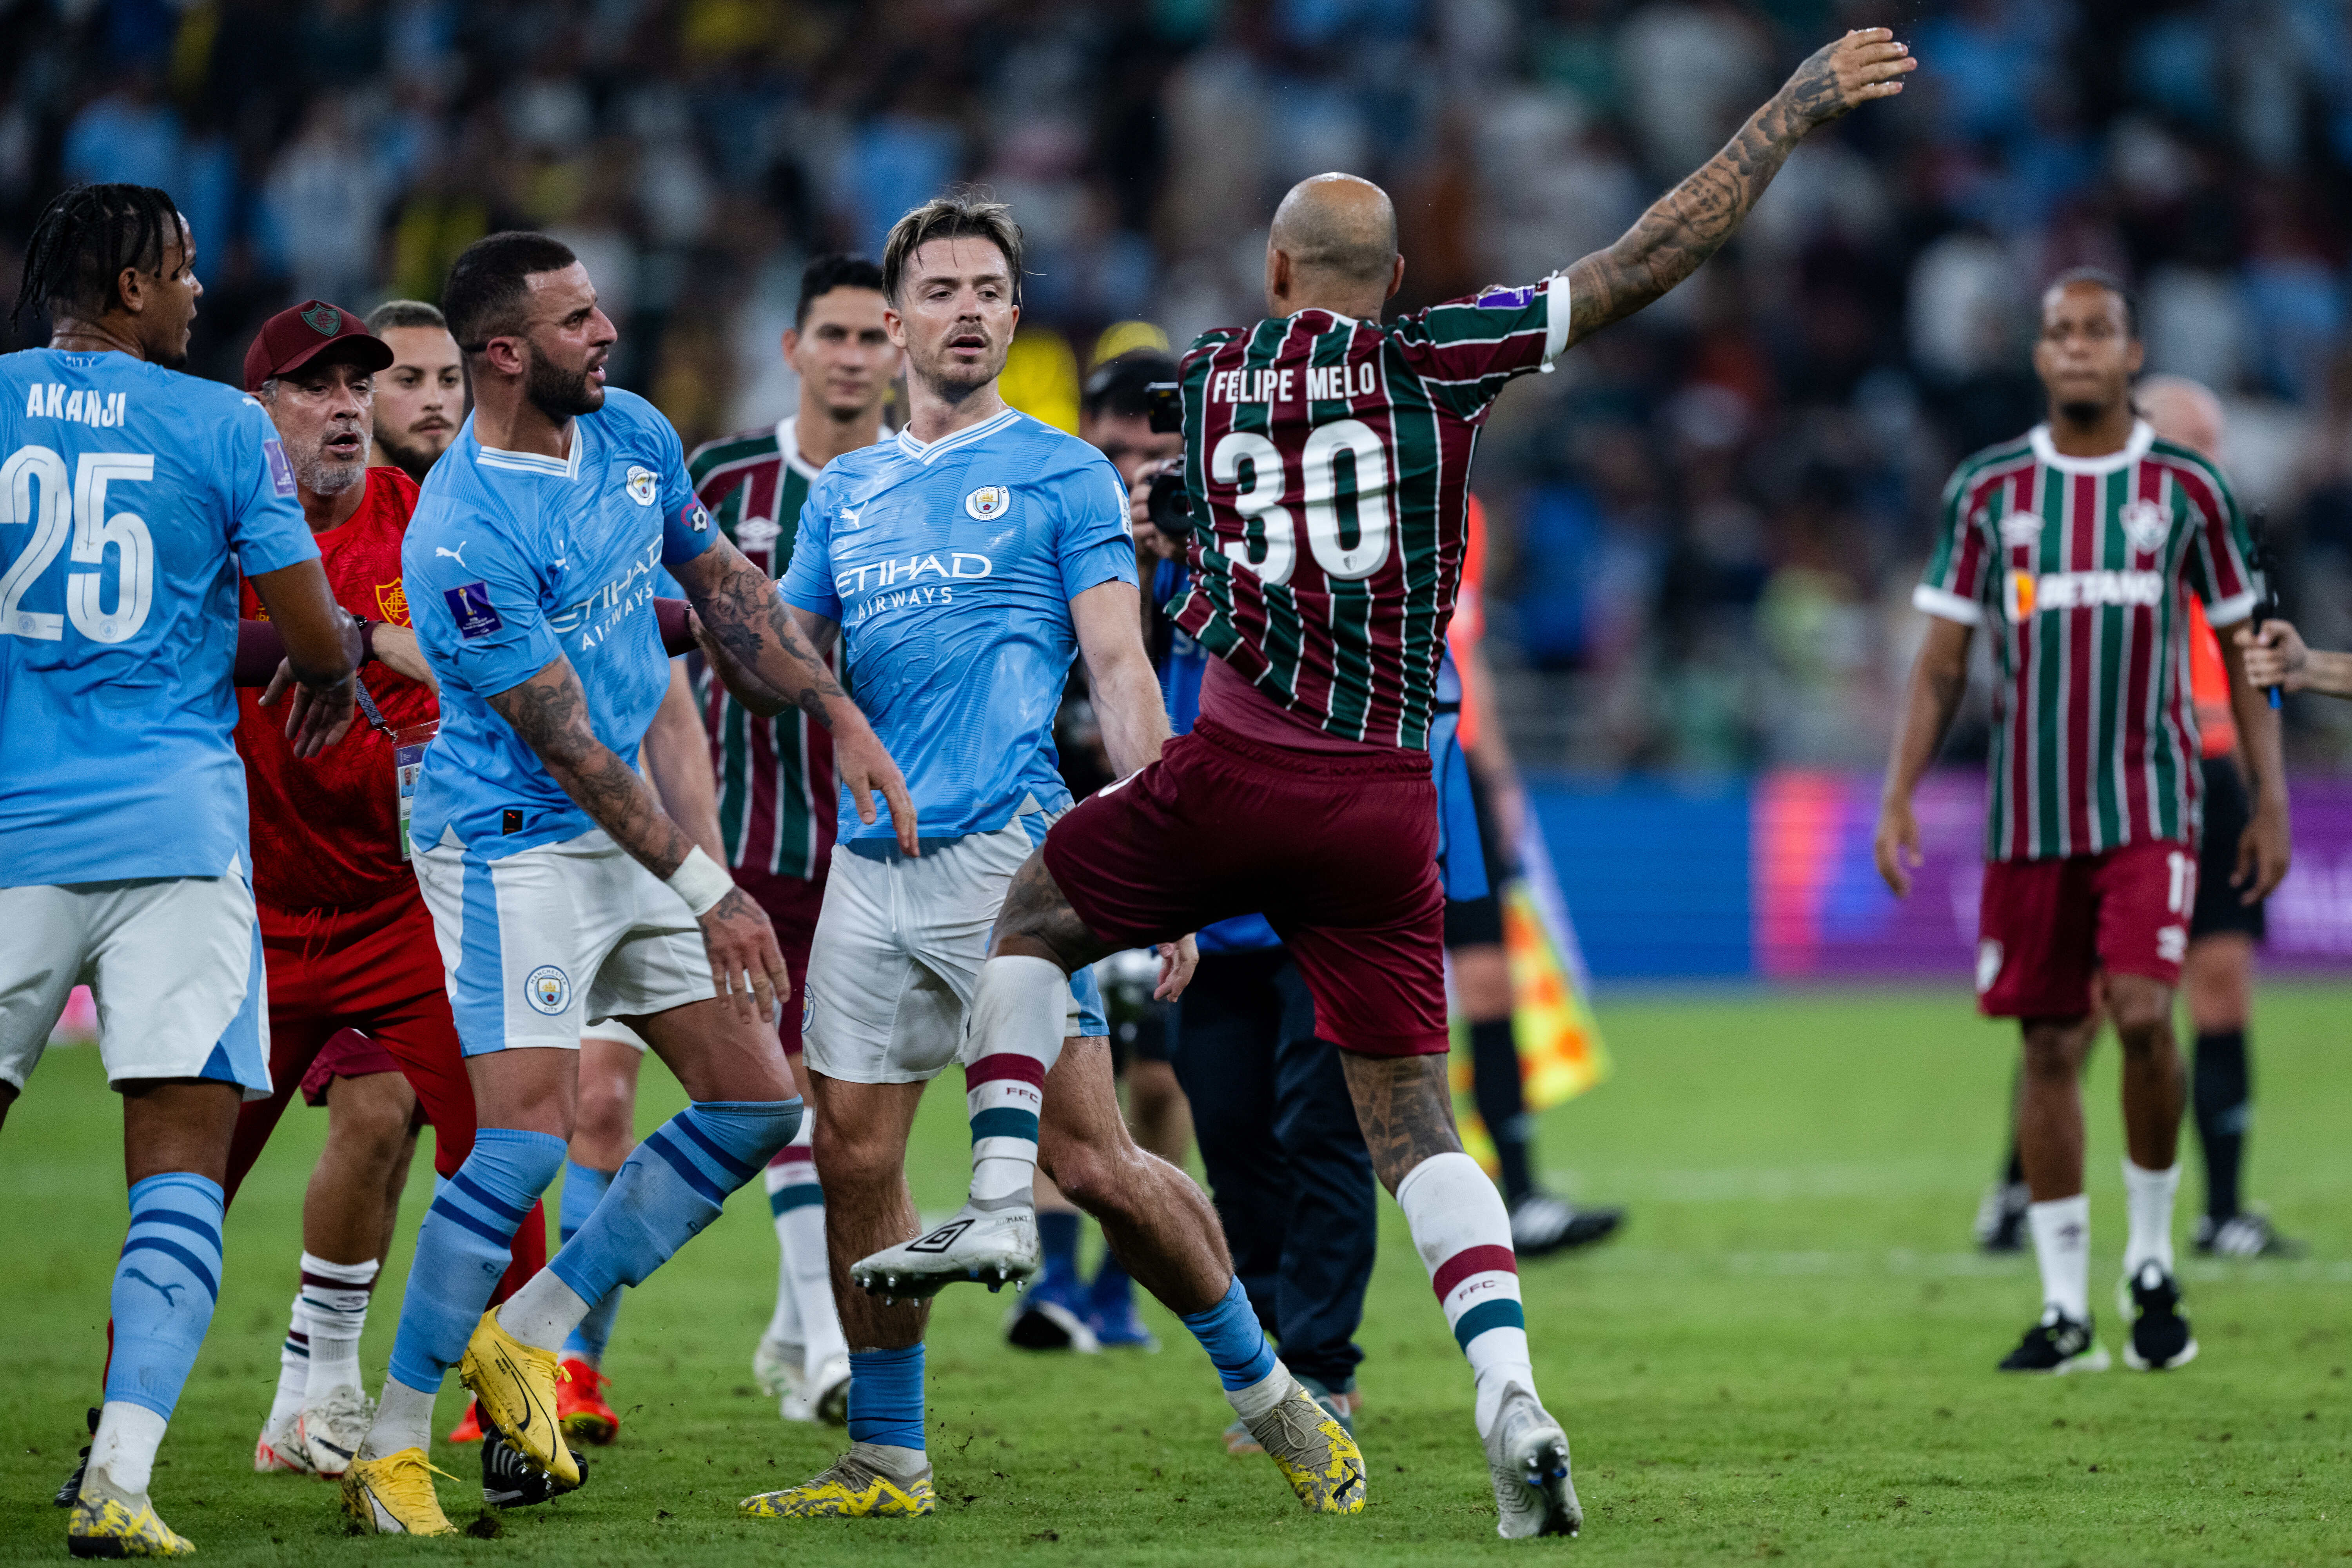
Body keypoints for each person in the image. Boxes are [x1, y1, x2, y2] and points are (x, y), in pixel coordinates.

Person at [864, 31, 1919, 1541]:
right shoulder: (1444, 358)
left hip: (1232, 768)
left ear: (1279, 270)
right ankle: (1509, 1391)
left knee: (1030, 919)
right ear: (1394, 270)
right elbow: (1642, 259)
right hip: (1381, 793)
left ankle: (999, 1181)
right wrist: (1792, 110)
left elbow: (1160, 537)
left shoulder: (1213, 377)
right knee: (1414, 1118)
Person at [338, 229, 914, 1537]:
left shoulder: (635, 435)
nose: (608, 333)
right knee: (530, 1137)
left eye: (600, 310)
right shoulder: (461, 532)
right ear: (503, 355)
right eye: (577, 320)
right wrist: (713, 885)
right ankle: (391, 1445)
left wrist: (837, 714)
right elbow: (572, 747)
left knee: (761, 1105)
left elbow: (727, 596)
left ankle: (529, 1332)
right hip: (510, 843)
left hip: (624, 831)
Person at [727, 196, 1206, 1524]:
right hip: (867, 874)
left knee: (1098, 1159)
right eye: (940, 290)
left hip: (1009, 864)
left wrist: (1160, 849)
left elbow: (1119, 666)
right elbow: (797, 668)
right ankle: (887, 1458)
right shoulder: (850, 491)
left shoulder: (1056, 471)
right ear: (897, 323)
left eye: (990, 288)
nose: (969, 310)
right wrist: (690, 609)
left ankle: (1269, 1391)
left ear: (1012, 309)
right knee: (857, 1155)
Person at [0, 183, 357, 1557]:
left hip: (14, 828)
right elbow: (316, 642)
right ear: (134, 283)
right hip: (174, 841)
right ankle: (120, 1481)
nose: (201, 292)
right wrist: (314, 661)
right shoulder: (219, 423)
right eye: (187, 269)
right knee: (178, 1173)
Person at [1875, 272, 2290, 1377]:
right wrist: (1899, 791)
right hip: (2028, 816)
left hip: (2155, 803)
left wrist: (2273, 800)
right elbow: (1943, 665)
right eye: (2058, 332)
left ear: (2130, 351)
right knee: (2051, 1044)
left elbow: (2252, 661)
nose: (2076, 349)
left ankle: (2152, 1257)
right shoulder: (1990, 489)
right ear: (2040, 355)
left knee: (2147, 1017)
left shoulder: (2190, 490)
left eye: (2096, 331)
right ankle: (2065, 1310)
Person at [1971, 375, 2300, 1261]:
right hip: (2120, 772)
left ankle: (2223, 1210)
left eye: (2219, 440)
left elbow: (2256, 654)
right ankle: (2014, 1193)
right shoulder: (2103, 523)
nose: (2217, 457)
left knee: (2221, 985)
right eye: (2199, 438)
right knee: (2080, 1005)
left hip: (2217, 767)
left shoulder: (2224, 531)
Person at [682, 253, 901, 1424]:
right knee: (785, 1095)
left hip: (878, 845)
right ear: (794, 347)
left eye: (876, 337)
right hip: (747, 837)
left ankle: (796, 1332)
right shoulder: (722, 478)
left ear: (898, 352)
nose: (856, 356)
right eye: (836, 334)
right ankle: (823, 1350)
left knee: (845, 1106)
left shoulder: (925, 482)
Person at [1009, 348, 1197, 1356]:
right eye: (1115, 451)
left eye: (1155, 457)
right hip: (1060, 838)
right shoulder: (1053, 535)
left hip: (1163, 847)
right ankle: (1055, 1285)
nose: (1132, 477)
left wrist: (1170, 555)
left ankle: (1126, 1288)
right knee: (1059, 1070)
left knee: (1161, 1082)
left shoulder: (1208, 557)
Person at [1444, 496, 1621, 1256]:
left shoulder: (1472, 513)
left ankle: (1520, 1194)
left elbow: (1467, 646)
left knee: (1490, 984)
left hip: (1458, 772)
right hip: (1375, 761)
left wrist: (1499, 775)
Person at [364, 299, 466, 483]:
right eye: (409, 380)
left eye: (450, 380)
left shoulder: (494, 501)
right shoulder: (307, 508)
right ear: (363, 392)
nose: (435, 401)